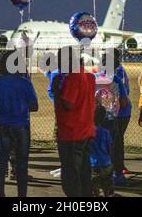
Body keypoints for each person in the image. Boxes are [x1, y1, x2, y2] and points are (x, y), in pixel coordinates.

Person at [0, 50, 38, 197]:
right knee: (22, 163)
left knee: (2, 161)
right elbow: (34, 106)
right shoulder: (25, 83)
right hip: (21, 125)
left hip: (3, 125)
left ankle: (0, 193)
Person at [53, 46, 95, 197]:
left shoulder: (72, 77)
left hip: (71, 132)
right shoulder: (89, 76)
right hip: (86, 129)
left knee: (70, 174)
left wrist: (57, 90)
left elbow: (68, 104)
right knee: (84, 171)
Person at [100, 49, 130, 185]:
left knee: (102, 145)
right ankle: (117, 173)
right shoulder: (116, 79)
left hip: (100, 117)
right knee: (116, 145)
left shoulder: (96, 77)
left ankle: (103, 172)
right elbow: (124, 101)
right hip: (113, 116)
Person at [90, 104, 115, 197]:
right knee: (107, 185)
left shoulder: (88, 131)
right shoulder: (106, 132)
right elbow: (110, 147)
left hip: (93, 164)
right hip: (106, 162)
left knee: (93, 187)